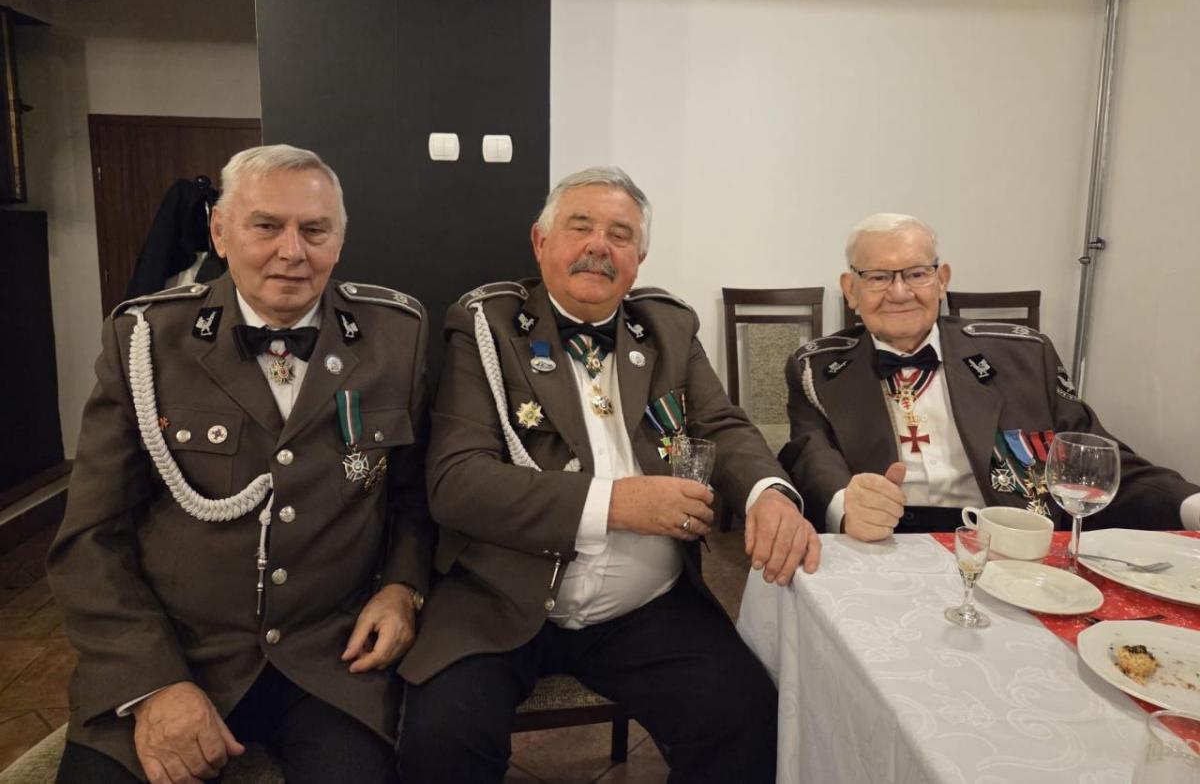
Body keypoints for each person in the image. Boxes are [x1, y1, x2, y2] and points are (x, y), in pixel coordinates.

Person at [395, 166, 819, 783]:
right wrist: (615, 504)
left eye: (621, 234)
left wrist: (769, 493)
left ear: (638, 259)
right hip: (499, 600)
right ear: (540, 241)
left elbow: (723, 425)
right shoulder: (486, 326)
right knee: (440, 742)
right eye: (581, 226)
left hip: (648, 605)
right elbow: (456, 482)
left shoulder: (669, 326)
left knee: (747, 718)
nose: (600, 245)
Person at [48, 145, 433, 784]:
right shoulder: (146, 340)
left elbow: (414, 498)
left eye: (315, 230)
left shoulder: (397, 335)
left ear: (339, 240)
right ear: (220, 233)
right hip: (177, 652)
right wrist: (153, 683)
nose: (292, 251)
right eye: (266, 226)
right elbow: (90, 539)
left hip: (329, 659)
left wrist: (402, 588)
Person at [781, 212, 1198, 541]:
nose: (900, 292)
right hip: (883, 544)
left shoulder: (1025, 355)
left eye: (916, 273)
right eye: (877, 277)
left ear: (941, 280)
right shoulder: (816, 369)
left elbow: (1093, 459)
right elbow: (811, 456)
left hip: (1006, 545)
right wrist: (846, 506)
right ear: (851, 290)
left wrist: (1189, 505)